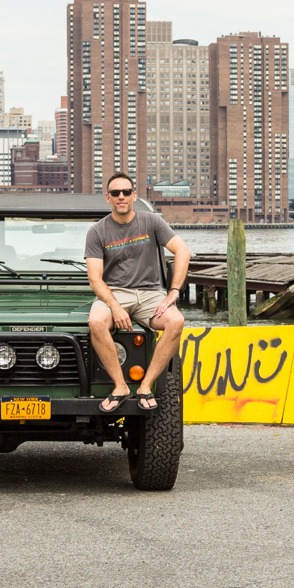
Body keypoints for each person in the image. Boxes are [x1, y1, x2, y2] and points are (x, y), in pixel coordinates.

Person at [84, 173, 192, 412]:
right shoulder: (97, 231)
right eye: (115, 193)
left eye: (125, 192)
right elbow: (95, 278)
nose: (121, 197)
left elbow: (183, 251)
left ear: (134, 195)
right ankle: (120, 386)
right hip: (115, 291)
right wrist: (114, 306)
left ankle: (145, 386)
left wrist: (173, 291)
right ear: (108, 198)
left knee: (176, 321)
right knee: (96, 321)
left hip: (150, 293)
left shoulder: (151, 221)